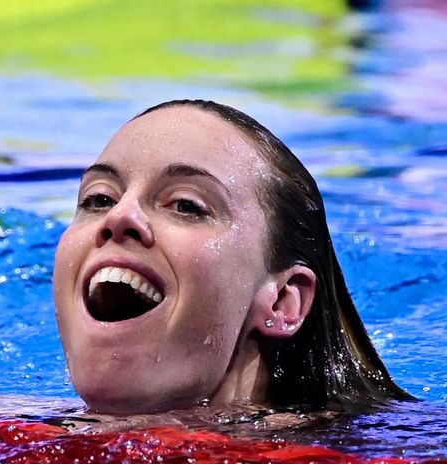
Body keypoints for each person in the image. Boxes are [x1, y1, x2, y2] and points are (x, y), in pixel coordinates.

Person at [53, 99, 410, 417]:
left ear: (284, 300)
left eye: (186, 206)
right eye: (99, 199)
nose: (119, 217)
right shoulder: (9, 435)